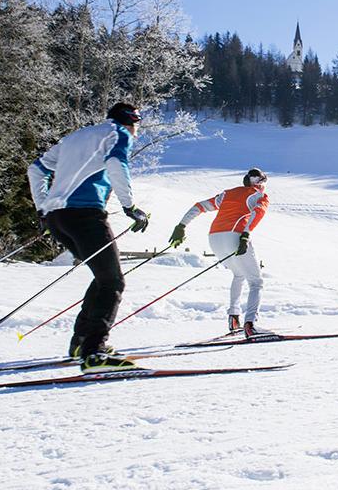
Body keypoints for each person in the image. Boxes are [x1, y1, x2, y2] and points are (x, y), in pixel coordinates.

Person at [28, 102, 151, 372]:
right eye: (138, 125)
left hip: (57, 218)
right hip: (85, 214)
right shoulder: (119, 134)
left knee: (103, 277)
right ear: (132, 121)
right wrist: (129, 206)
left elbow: (36, 169)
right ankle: (94, 352)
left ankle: (81, 343)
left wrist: (43, 207)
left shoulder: (75, 137)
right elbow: (117, 163)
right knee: (113, 282)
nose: (136, 131)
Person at [170, 168, 272, 337]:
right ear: (259, 183)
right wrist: (245, 235)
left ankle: (233, 319)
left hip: (214, 238)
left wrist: (181, 226)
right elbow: (257, 212)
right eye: (264, 183)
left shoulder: (227, 194)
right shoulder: (258, 195)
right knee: (256, 282)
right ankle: (250, 324)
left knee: (238, 275)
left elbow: (200, 206)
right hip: (236, 235)